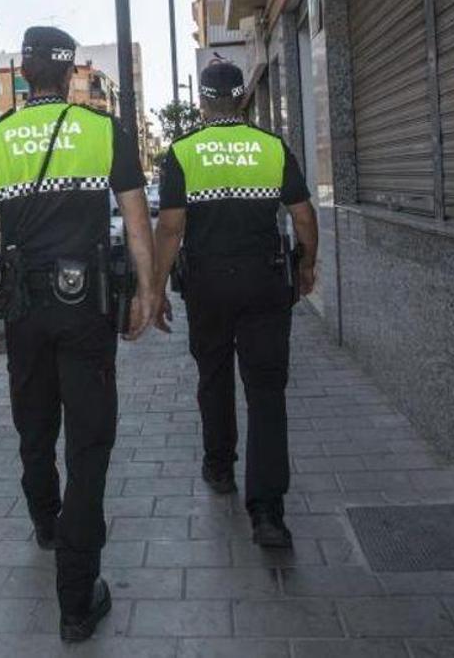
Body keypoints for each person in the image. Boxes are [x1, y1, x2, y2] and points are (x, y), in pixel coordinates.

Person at [0, 26, 157, 642]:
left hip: (24, 308)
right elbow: (134, 218)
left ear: (23, 71)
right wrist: (149, 291)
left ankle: (47, 520)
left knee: (35, 424)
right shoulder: (104, 131)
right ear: (73, 73)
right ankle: (76, 599)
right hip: (86, 307)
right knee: (90, 442)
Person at [151, 61, 318, 549]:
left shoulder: (182, 152)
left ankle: (220, 466)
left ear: (203, 103)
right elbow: (304, 217)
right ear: (242, 100)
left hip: (207, 286)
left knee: (214, 375)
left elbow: (170, 229)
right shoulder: (272, 148)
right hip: (266, 284)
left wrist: (156, 288)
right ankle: (267, 513)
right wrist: (306, 268)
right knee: (267, 392)